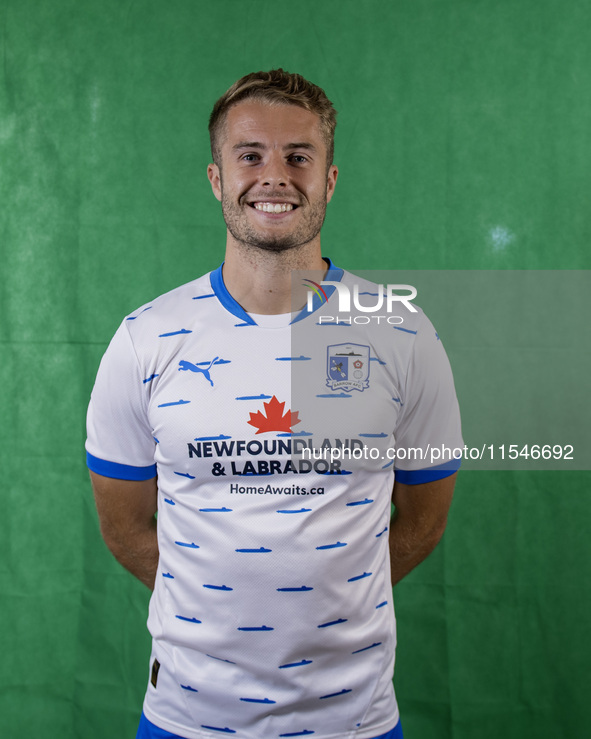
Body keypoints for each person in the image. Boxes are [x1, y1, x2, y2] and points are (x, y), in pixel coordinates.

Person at [86, 69, 462, 739]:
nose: (274, 175)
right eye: (250, 154)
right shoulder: (145, 339)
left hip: (354, 720)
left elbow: (422, 520)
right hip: (187, 717)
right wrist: (220, 616)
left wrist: (326, 606)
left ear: (330, 180)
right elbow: (125, 526)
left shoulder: (401, 333)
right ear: (214, 178)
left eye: (298, 155)